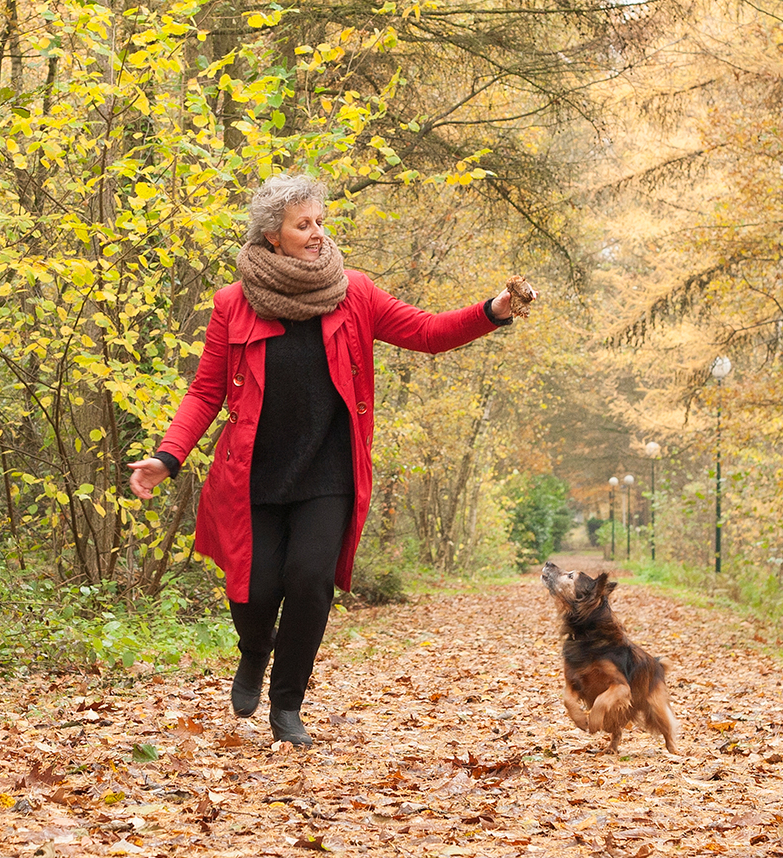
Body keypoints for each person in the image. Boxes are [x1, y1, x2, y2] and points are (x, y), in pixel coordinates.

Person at [127, 173, 535, 747]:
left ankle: (287, 704)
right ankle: (255, 649)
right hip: (254, 474)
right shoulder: (232, 304)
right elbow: (205, 391)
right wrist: (168, 457)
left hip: (329, 471)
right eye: (303, 225)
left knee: (310, 580)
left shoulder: (354, 292)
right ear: (273, 236)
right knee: (255, 590)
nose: (318, 233)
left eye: (320, 221)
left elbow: (426, 331)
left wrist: (492, 310)